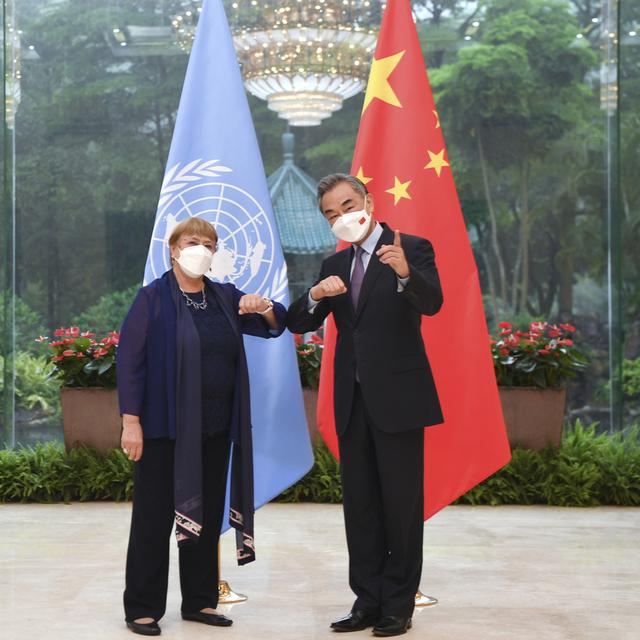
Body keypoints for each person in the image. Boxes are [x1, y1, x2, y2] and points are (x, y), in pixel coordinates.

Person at [286, 174, 443, 637]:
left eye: (347, 205)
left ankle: (398, 606)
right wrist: (316, 295)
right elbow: (299, 319)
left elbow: (433, 303)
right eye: (331, 214)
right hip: (351, 402)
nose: (341, 218)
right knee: (361, 508)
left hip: (399, 400)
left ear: (369, 202)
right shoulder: (332, 262)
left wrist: (404, 274)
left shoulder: (410, 247)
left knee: (400, 506)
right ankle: (366, 601)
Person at [117, 217, 286, 636]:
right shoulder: (152, 298)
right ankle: (142, 606)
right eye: (193, 242)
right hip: (162, 429)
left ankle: (199, 601)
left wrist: (261, 306)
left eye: (210, 244)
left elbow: (277, 323)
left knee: (205, 519)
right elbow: (129, 362)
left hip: (213, 429)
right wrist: (130, 423)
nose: (202, 249)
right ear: (173, 250)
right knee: (154, 520)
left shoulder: (225, 296)